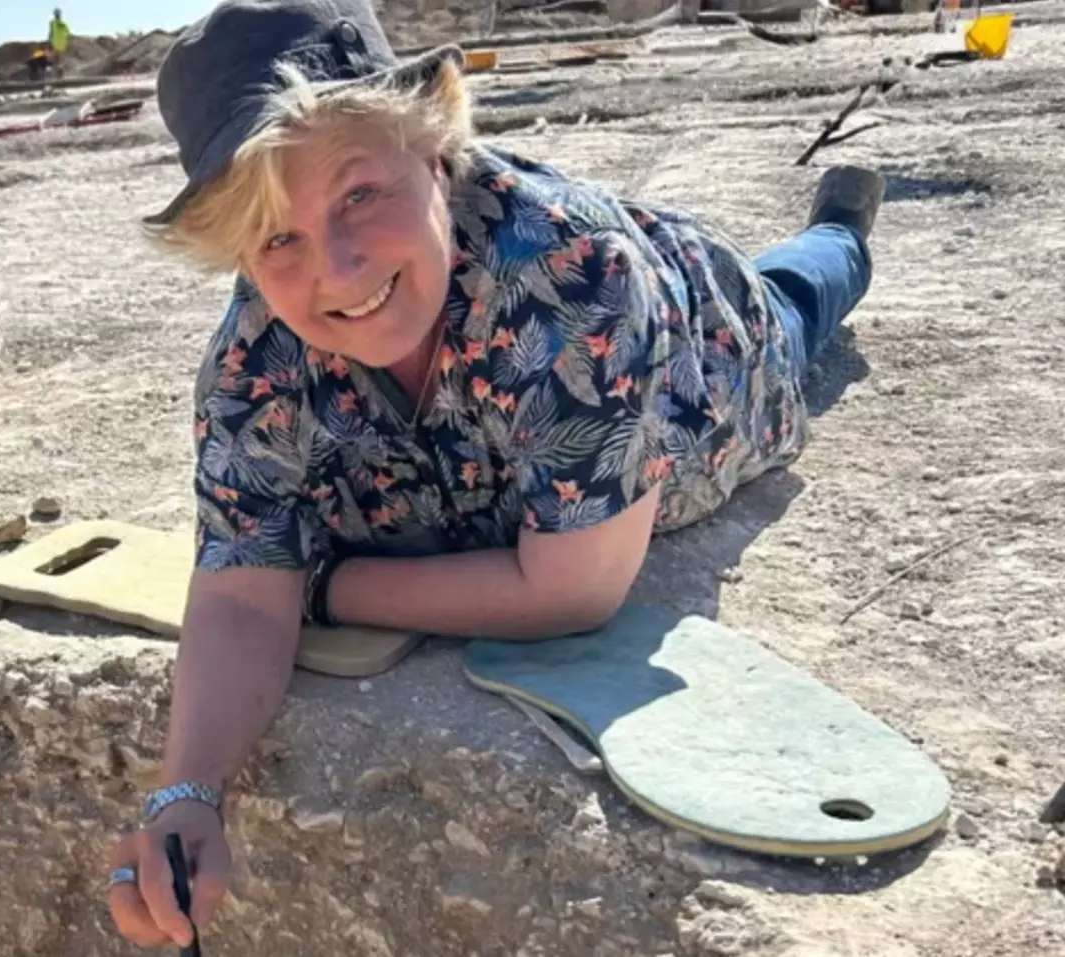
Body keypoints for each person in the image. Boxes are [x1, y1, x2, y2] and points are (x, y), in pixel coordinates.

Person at [105, 0, 883, 948]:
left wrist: (322, 583)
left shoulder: (572, 276)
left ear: (432, 149)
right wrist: (188, 792)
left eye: (358, 194)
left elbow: (570, 591)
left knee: (801, 305)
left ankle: (841, 228)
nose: (339, 269)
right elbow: (236, 594)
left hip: (712, 346)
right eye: (278, 238)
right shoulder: (251, 364)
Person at [48, 7, 70, 79]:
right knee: (60, 61)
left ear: (54, 15)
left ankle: (53, 76)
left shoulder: (52, 23)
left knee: (53, 61)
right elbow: (68, 34)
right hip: (62, 45)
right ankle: (60, 75)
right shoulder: (64, 24)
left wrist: (49, 42)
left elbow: (51, 33)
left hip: (55, 45)